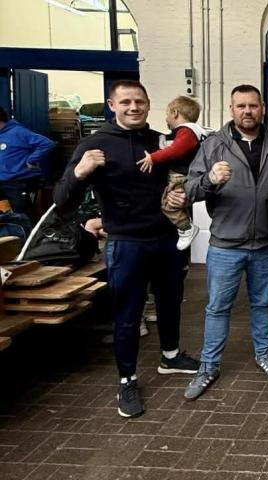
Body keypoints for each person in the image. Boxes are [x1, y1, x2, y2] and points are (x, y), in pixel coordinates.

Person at [54, 80, 199, 418]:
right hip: (126, 243)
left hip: (166, 239)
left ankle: (171, 356)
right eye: (126, 102)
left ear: (149, 105)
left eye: (140, 102)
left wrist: (184, 195)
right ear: (112, 105)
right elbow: (63, 201)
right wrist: (80, 171)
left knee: (170, 303)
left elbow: (184, 182)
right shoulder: (96, 144)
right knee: (128, 314)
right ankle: (127, 379)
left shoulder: (162, 141)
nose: (134, 107)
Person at [182, 84, 268, 400]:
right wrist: (209, 180)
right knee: (217, 307)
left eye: (253, 106)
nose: (247, 111)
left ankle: (264, 354)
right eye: (240, 106)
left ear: (263, 108)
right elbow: (189, 190)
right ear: (231, 110)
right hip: (226, 245)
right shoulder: (214, 144)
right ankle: (208, 367)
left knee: (262, 303)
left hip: (266, 244)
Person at [137, 95, 207, 250]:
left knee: (169, 205)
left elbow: (176, 151)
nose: (166, 119)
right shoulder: (195, 131)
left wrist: (152, 158)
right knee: (178, 203)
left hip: (180, 175)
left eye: (167, 114)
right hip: (189, 175)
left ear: (175, 113)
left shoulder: (186, 131)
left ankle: (186, 228)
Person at [0, 105, 55, 216]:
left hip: (17, 182)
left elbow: (47, 143)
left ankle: (24, 231)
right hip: (2, 181)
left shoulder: (18, 132)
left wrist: (31, 159)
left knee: (21, 215)